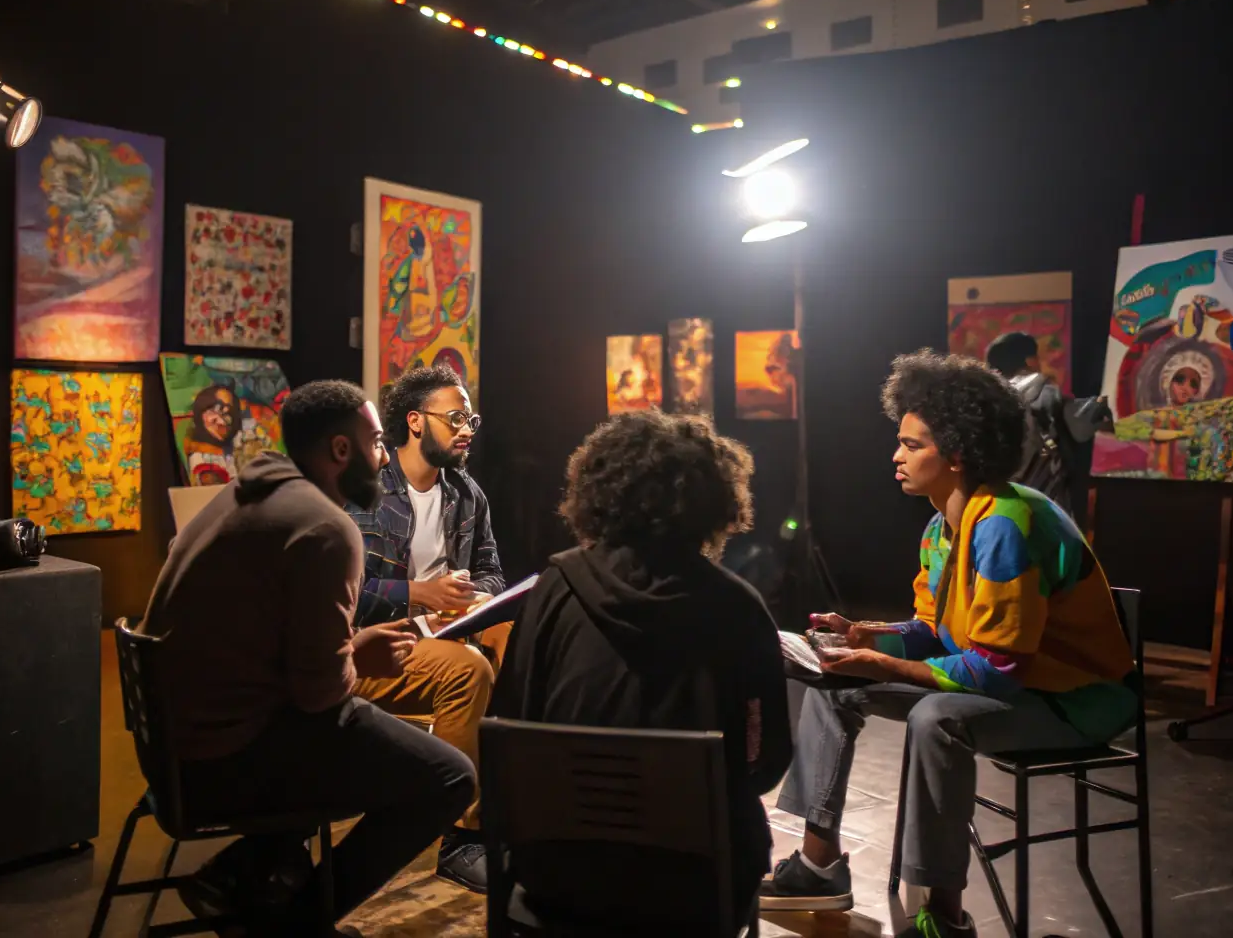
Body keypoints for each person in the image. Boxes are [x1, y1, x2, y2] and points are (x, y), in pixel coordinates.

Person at [760, 351, 1136, 938]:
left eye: (912, 445)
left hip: (1077, 701)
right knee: (836, 683)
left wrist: (883, 662)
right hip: (1020, 686)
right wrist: (863, 638)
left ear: (958, 454)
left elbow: (996, 669)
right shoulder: (943, 526)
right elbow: (934, 632)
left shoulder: (1005, 522)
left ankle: (943, 915)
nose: (896, 456)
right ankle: (818, 867)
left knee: (937, 718)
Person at [139, 380, 476, 935]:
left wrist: (347, 649)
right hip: (220, 766)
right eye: (373, 443)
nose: (384, 455)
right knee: (450, 778)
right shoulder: (325, 528)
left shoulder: (239, 495)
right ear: (340, 451)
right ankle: (299, 923)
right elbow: (321, 694)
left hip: (172, 752)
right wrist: (358, 657)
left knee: (371, 743)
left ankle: (246, 873)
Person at [492, 410, 793, 929]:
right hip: (693, 889)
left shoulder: (553, 589)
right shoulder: (738, 608)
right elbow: (765, 764)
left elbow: (509, 729)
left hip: (559, 880)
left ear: (598, 490)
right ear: (711, 500)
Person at [345, 364, 504, 893]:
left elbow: (491, 571)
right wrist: (419, 596)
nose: (466, 430)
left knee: (523, 640)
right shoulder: (367, 492)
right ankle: (461, 838)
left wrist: (475, 598)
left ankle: (527, 808)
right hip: (385, 643)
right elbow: (348, 597)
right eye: (455, 417)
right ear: (415, 422)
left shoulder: (466, 493)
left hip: (452, 628)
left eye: (471, 419)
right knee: (469, 670)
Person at [984, 331, 1111, 514]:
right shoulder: (1043, 392)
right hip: (1041, 504)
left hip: (996, 505)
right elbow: (1080, 425)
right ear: (1030, 361)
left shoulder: (986, 401)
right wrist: (1103, 404)